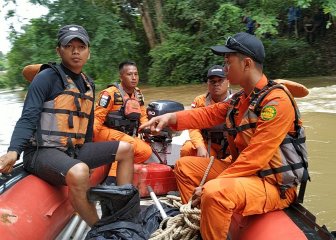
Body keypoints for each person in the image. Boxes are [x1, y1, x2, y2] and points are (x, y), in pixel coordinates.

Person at [139, 32, 309, 239]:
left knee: (214, 191)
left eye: (228, 62)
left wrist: (207, 187)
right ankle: (200, 223)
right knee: (185, 167)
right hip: (246, 174)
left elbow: (256, 157)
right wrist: (170, 117)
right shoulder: (240, 99)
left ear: (246, 64)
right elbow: (206, 114)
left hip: (273, 184)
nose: (225, 68)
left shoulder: (276, 102)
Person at [0, 24, 134, 227]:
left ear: (88, 52)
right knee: (79, 171)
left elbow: (87, 128)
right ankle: (101, 229)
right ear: (59, 50)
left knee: (126, 149)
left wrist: (89, 156)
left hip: (73, 150)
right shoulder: (46, 78)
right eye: (69, 46)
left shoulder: (88, 83)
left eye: (81, 46)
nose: (76, 51)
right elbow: (28, 117)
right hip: (41, 151)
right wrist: (13, 151)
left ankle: (122, 214)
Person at [93, 60, 152, 184]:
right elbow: (97, 119)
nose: (134, 78)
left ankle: (117, 164)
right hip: (105, 132)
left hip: (124, 136)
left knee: (146, 151)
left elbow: (142, 116)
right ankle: (111, 181)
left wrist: (148, 128)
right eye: (129, 74)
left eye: (136, 74)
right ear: (121, 76)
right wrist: (88, 140)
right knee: (128, 143)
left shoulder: (138, 94)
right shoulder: (109, 94)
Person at [180, 65, 231, 159]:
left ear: (228, 82)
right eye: (212, 81)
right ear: (208, 84)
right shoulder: (200, 101)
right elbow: (193, 127)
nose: (216, 84)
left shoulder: (237, 100)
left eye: (220, 80)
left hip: (230, 145)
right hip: (208, 143)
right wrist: (200, 146)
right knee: (187, 149)